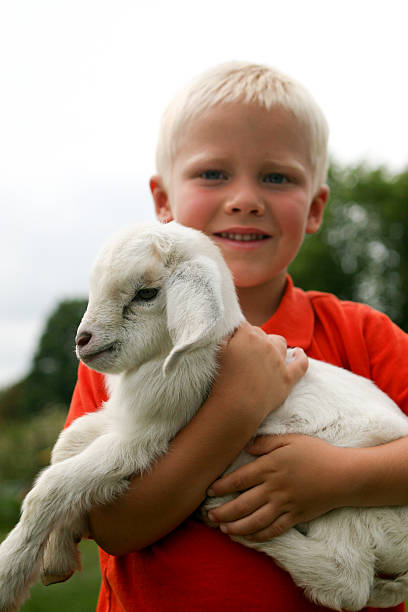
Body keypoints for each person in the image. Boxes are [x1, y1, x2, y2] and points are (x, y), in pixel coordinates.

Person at [66, 62, 408, 611]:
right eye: (213, 174)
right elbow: (116, 525)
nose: (245, 198)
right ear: (162, 203)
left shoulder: (365, 335)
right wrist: (235, 409)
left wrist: (337, 477)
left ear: (316, 207)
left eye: (277, 177)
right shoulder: (120, 351)